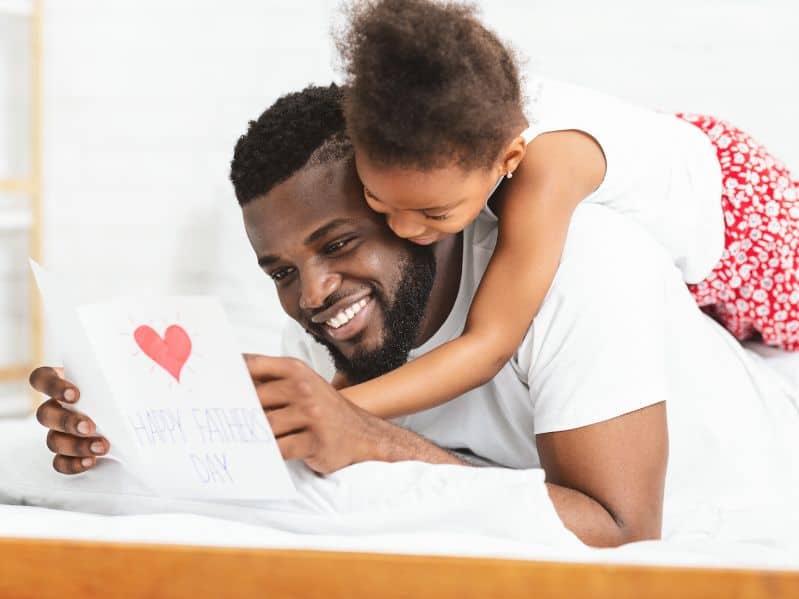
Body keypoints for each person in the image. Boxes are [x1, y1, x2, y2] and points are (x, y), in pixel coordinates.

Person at [30, 85, 799, 548]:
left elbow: (621, 528)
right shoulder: (329, 324)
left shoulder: (580, 259)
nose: (312, 295)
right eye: (281, 271)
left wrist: (366, 438)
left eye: (338, 243)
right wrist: (127, 431)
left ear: (408, 211)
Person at [327, 0, 799, 420]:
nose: (405, 228)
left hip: (750, 218)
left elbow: (488, 345)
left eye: (434, 213)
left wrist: (336, 410)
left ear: (509, 160)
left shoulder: (545, 170)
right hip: (670, 152)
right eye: (377, 201)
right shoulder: (436, 121)